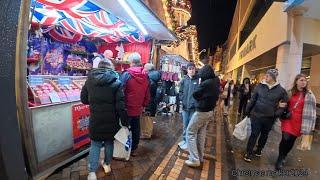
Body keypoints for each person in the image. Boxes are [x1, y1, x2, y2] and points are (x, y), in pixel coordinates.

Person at [80, 59, 128, 180]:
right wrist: (125, 121)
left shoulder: (89, 80)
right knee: (109, 142)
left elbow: (84, 99)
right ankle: (107, 164)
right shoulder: (116, 82)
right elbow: (120, 105)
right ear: (110, 68)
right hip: (111, 119)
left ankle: (91, 173)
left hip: (95, 118)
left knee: (95, 144)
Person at [244, 69, 288, 162]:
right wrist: (247, 110)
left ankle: (259, 150)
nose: (265, 77)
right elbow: (253, 100)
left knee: (264, 135)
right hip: (256, 115)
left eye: (267, 75)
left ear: (273, 77)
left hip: (269, 118)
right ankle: (248, 152)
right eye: (266, 75)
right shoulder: (259, 86)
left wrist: (276, 114)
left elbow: (284, 105)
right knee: (254, 134)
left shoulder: (281, 91)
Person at [275, 74, 317, 170]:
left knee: (291, 141)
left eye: (305, 80)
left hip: (299, 122)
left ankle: (284, 154)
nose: (303, 82)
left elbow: (312, 112)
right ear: (296, 81)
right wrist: (280, 105)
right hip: (288, 119)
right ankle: (280, 158)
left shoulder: (310, 95)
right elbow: (281, 102)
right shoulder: (290, 92)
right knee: (285, 138)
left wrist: (311, 126)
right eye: (301, 80)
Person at [185, 64, 220, 167]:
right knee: (201, 134)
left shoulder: (206, 83)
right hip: (209, 111)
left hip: (202, 112)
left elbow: (195, 94)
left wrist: (200, 84)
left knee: (190, 132)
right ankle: (199, 157)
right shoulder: (215, 81)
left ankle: (194, 159)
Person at [120, 52, 150, 156]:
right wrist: (144, 105)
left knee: (124, 128)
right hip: (138, 108)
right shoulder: (145, 75)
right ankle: (134, 149)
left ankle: (124, 149)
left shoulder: (126, 74)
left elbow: (121, 92)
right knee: (136, 127)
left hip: (127, 107)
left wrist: (120, 105)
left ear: (131, 62)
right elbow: (147, 93)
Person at [178, 62, 199, 150]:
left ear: (195, 69)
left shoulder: (198, 80)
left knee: (191, 127)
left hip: (193, 108)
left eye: (192, 69)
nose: (191, 70)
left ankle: (188, 142)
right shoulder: (184, 80)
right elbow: (180, 92)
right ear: (187, 70)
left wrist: (195, 103)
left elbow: (199, 94)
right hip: (185, 107)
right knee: (185, 125)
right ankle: (184, 140)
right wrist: (182, 99)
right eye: (189, 69)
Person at [140, 63, 161, 139]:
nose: (143, 69)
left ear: (148, 69)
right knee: (148, 119)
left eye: (144, 68)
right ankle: (147, 133)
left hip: (149, 102)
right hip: (153, 101)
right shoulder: (155, 77)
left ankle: (146, 134)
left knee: (147, 118)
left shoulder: (149, 79)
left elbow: (147, 93)